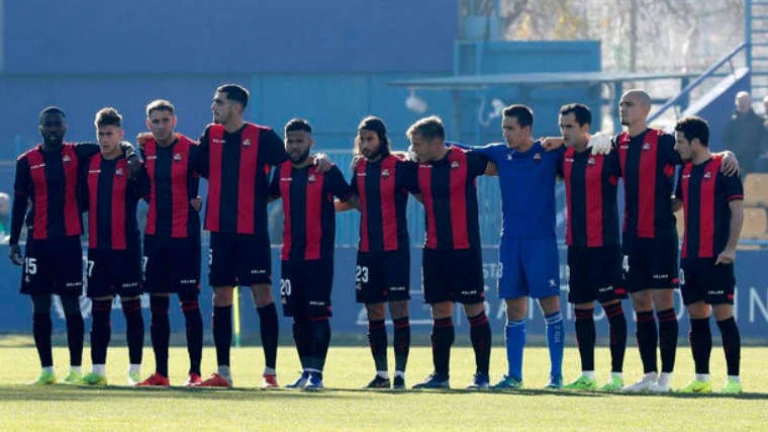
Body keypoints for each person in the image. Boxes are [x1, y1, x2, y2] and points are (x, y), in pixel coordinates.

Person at [191, 84, 331, 388]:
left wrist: (320, 157)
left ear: (236, 107)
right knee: (221, 296)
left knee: (262, 295)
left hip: (253, 231)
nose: (213, 107)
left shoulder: (263, 137)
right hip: (219, 231)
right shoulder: (210, 135)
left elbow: (293, 158)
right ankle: (223, 372)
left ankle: (270, 373)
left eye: (219, 102)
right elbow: (193, 164)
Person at [616, 89, 738, 392]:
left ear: (644, 109)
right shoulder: (618, 144)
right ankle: (649, 375)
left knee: (664, 303)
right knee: (640, 304)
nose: (622, 108)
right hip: (632, 238)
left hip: (661, 238)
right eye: (620, 104)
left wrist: (727, 153)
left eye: (628, 104)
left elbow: (697, 152)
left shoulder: (664, 141)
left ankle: (667, 377)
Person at [10, 106, 137, 385]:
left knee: (72, 307)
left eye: (57, 124)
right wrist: (14, 242)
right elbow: (18, 203)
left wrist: (131, 155)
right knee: (40, 307)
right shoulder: (26, 161)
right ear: (41, 128)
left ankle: (76, 369)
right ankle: (46, 370)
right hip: (37, 243)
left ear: (65, 128)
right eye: (48, 124)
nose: (53, 129)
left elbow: (117, 143)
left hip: (68, 243)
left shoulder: (77, 153)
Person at [407, 116, 493, 390]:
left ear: (436, 141)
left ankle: (482, 376)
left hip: (465, 251)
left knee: (474, 311)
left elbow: (504, 165)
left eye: (417, 144)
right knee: (440, 313)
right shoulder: (415, 167)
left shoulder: (467, 160)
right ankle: (440, 375)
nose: (413, 149)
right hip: (434, 251)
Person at [269, 118, 351, 391]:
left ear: (310, 143)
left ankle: (317, 373)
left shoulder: (326, 170)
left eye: (299, 141)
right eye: (290, 141)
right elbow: (265, 197)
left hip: (319, 257)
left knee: (318, 314)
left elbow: (352, 198)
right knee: (298, 316)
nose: (294, 146)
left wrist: (329, 209)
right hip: (289, 256)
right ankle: (305, 371)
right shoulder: (280, 171)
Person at [556, 104, 628, 392]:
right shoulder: (564, 155)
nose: (564, 132)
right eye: (561, 126)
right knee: (582, 309)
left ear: (585, 127)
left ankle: (617, 376)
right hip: (577, 245)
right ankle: (587, 374)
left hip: (605, 246)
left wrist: (607, 137)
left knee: (612, 308)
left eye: (569, 126)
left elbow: (633, 149)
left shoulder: (606, 153)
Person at [337, 116, 413, 390]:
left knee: (399, 308)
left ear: (382, 140)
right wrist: (324, 208)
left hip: (396, 250)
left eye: (370, 139)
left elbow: (421, 189)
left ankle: (400, 374)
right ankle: (381, 374)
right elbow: (354, 200)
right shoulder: (358, 167)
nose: (366, 144)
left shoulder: (400, 166)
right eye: (362, 139)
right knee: (373, 311)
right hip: (368, 251)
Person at [672, 116, 744, 394]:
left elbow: (737, 211)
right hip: (689, 258)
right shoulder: (685, 169)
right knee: (697, 319)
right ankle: (702, 379)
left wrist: (730, 249)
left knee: (724, 318)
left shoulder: (724, 167)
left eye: (681, 142)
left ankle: (733, 381)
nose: (677, 147)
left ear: (695, 142)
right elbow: (677, 203)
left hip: (716, 257)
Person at [135, 100, 204, 388]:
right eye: (156, 121)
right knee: (158, 306)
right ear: (148, 124)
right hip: (155, 238)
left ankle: (195, 373)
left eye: (165, 120)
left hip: (185, 237)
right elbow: (142, 185)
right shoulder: (145, 149)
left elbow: (220, 175)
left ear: (174, 121)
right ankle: (161, 373)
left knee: (189, 305)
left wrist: (200, 201)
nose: (161, 126)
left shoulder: (193, 150)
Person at [79, 107, 148, 386]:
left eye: (109, 134)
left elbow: (149, 195)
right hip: (98, 250)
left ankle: (134, 371)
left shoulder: (132, 166)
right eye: (101, 134)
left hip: (127, 249)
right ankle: (98, 371)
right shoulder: (90, 161)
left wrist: (132, 153)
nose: (104, 139)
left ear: (120, 134)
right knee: (99, 311)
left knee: (132, 310)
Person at [723, 91, 762, 175]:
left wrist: (756, 153)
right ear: (736, 103)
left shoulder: (758, 121)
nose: (742, 104)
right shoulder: (731, 121)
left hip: (752, 162)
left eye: (745, 101)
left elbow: (762, 139)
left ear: (750, 103)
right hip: (735, 160)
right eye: (740, 101)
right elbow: (727, 140)